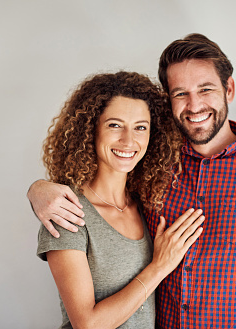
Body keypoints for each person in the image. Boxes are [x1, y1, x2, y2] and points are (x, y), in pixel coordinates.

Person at [29, 34, 236, 328]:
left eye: (205, 89)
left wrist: (37, 191)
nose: (194, 105)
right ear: (168, 100)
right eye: (180, 93)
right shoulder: (154, 166)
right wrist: (37, 190)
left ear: (228, 88)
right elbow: (102, 185)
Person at [36, 71, 205, 329]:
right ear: (90, 129)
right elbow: (88, 324)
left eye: (140, 128)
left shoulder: (146, 204)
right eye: (115, 125)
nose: (129, 141)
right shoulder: (66, 213)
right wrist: (159, 267)